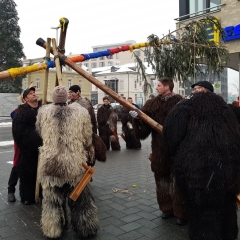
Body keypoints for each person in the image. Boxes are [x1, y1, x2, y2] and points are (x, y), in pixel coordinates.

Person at [163, 80, 240, 240]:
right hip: (227, 172)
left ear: (203, 90)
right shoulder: (226, 108)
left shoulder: (184, 107)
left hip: (197, 174)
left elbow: (171, 135)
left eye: (196, 89)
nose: (193, 92)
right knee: (226, 209)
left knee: (201, 214)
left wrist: (176, 159)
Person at [36, 86, 99, 239]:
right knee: (81, 199)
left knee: (52, 200)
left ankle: (52, 230)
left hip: (50, 164)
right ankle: (86, 228)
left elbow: (39, 131)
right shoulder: (81, 112)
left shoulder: (43, 112)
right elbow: (87, 136)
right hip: (74, 164)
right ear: (66, 98)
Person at [129, 77, 186, 225]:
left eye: (159, 85)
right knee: (161, 179)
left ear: (167, 87)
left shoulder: (180, 102)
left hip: (177, 147)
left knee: (177, 180)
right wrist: (137, 118)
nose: (156, 88)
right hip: (159, 149)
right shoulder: (152, 104)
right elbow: (143, 132)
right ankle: (166, 208)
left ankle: (181, 211)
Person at [12, 87, 42, 205]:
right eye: (30, 93)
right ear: (25, 99)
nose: (34, 94)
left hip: (42, 150)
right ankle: (27, 196)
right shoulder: (22, 113)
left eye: (34, 92)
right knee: (28, 174)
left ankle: (40, 193)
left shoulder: (42, 110)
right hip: (28, 150)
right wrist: (36, 139)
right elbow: (19, 132)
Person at [68, 84, 107, 164]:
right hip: (72, 137)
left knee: (85, 161)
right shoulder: (68, 104)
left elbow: (87, 121)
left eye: (72, 92)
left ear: (78, 92)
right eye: (69, 92)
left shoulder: (85, 104)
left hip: (84, 136)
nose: (69, 94)